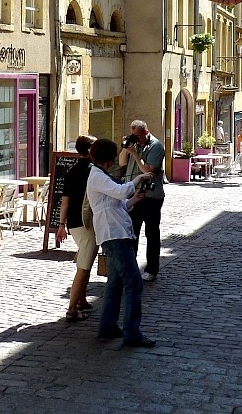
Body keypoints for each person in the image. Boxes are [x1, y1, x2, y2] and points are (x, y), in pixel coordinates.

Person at [87, 138, 156, 347]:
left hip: (116, 231)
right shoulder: (97, 176)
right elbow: (120, 192)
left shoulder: (101, 176)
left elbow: (117, 203)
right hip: (114, 235)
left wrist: (135, 199)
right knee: (134, 282)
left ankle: (108, 326)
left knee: (115, 283)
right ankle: (132, 333)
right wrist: (138, 179)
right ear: (107, 158)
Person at [56, 135, 98, 323]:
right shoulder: (94, 171)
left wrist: (61, 225)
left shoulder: (72, 171)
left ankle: (81, 300)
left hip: (74, 223)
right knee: (83, 267)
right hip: (87, 223)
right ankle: (72, 309)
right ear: (90, 150)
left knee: (86, 260)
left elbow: (65, 202)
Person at [119, 120, 165, 282]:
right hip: (133, 195)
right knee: (132, 233)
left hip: (151, 196)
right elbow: (121, 163)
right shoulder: (133, 144)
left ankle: (151, 269)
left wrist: (136, 154)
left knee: (151, 233)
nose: (136, 139)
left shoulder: (156, 146)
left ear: (146, 132)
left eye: (138, 136)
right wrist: (126, 149)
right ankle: (131, 268)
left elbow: (148, 170)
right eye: (133, 136)